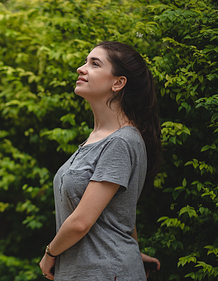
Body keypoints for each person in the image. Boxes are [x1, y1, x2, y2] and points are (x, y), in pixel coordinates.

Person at [39, 41, 162, 280]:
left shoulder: (121, 141)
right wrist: (133, 250)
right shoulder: (96, 140)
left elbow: (80, 222)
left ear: (118, 83)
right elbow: (120, 209)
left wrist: (49, 254)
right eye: (86, 62)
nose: (81, 68)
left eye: (94, 64)